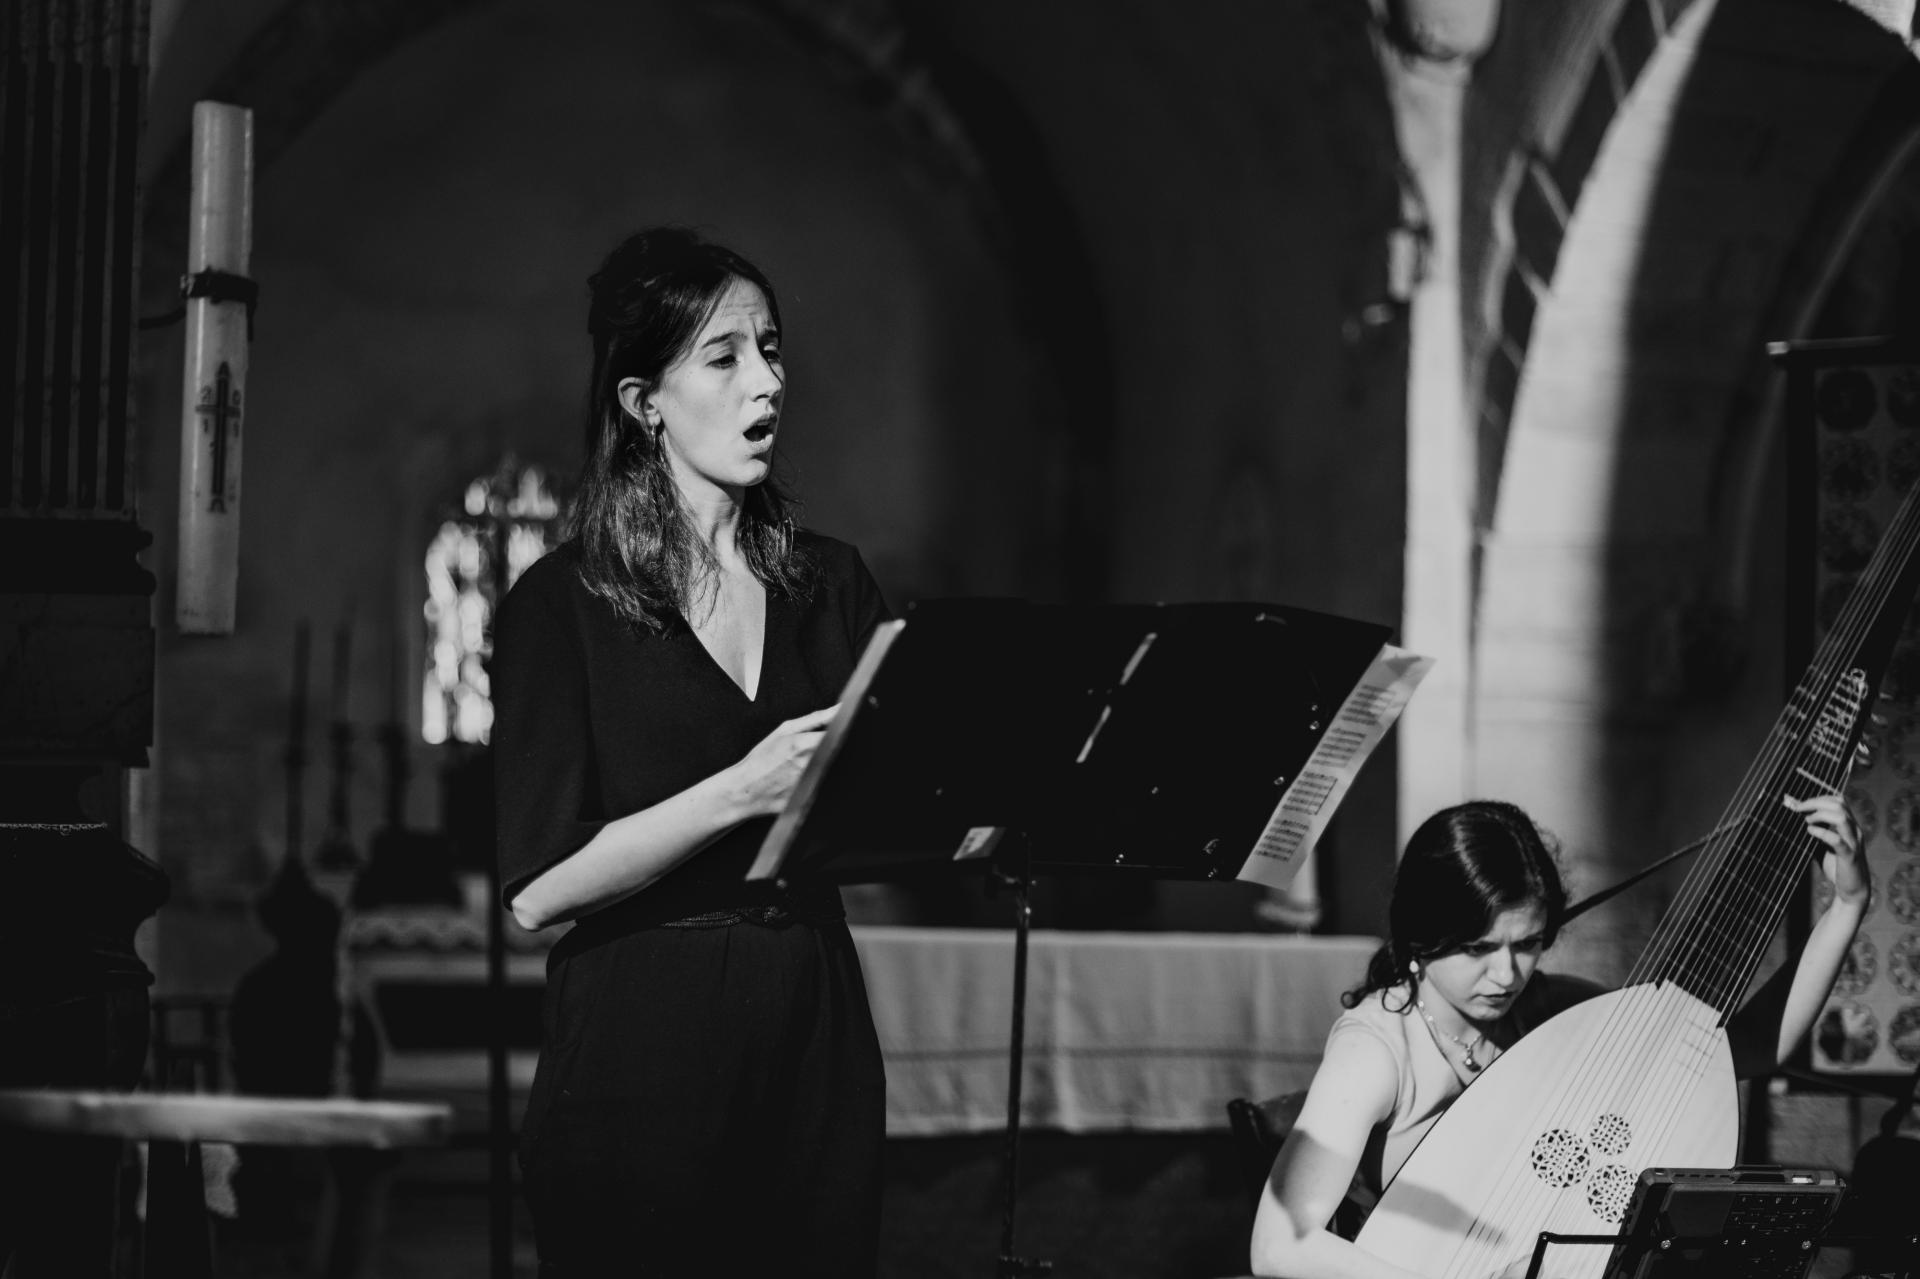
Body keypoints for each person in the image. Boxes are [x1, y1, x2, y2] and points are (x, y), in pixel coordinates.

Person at [492, 227, 890, 1277]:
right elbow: (539, 891)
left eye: (771, 348)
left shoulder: (834, 586)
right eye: (724, 356)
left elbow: (886, 817)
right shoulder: (561, 605)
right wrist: (742, 791)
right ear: (643, 401)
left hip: (814, 1013)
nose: (765, 381)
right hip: (643, 1033)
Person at [1249, 795, 1868, 1279]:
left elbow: (1737, 1051)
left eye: (1528, 944)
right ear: (1420, 934)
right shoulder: (1377, 1048)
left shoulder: (1549, 1009)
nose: (1507, 974)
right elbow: (1280, 1248)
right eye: (1478, 948)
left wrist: (1847, 902)